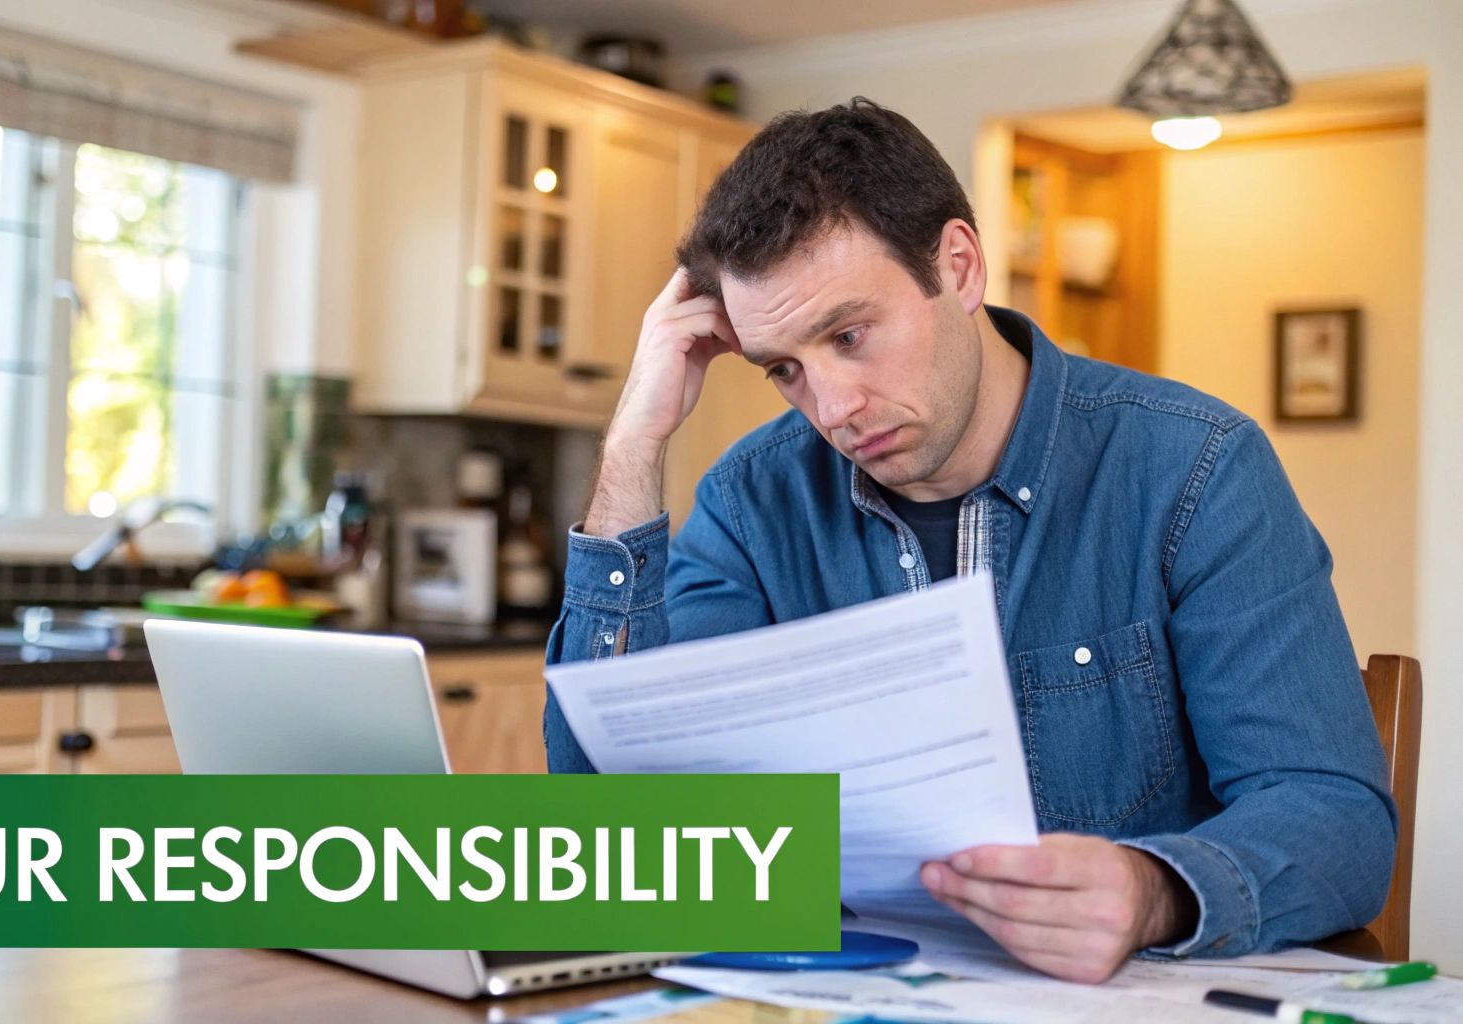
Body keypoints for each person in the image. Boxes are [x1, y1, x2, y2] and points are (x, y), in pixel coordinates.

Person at [542, 98, 1393, 984]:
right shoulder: (754, 503)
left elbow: (1334, 815)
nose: (832, 411)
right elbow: (615, 838)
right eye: (785, 370)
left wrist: (1152, 891)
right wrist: (636, 444)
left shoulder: (1195, 470)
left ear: (959, 265)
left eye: (849, 335)